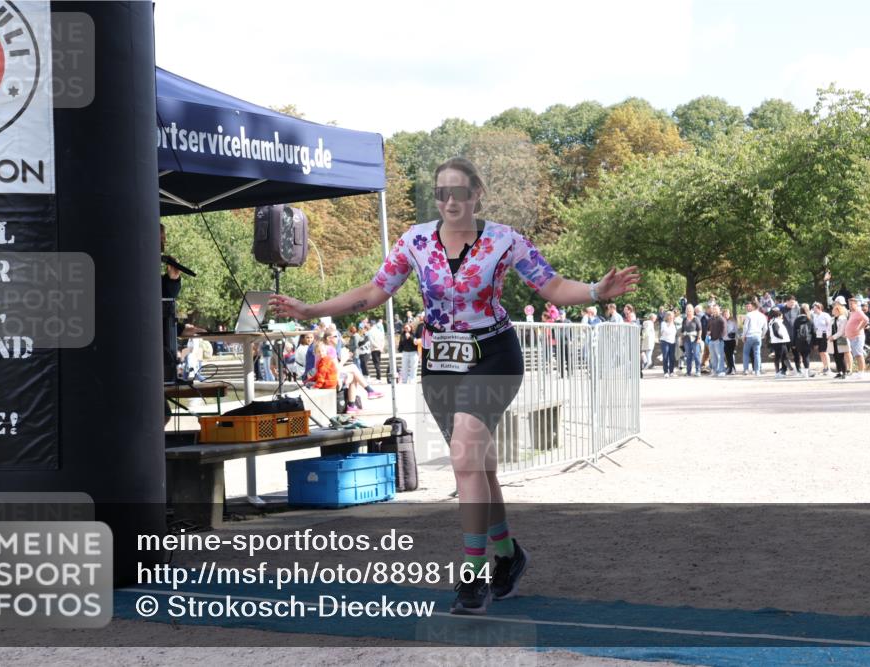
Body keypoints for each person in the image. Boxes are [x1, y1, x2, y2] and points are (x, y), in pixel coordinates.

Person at [269, 156, 640, 615]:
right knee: (477, 467)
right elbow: (373, 291)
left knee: (465, 452)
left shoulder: (506, 240)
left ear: (476, 194)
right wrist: (310, 310)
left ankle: (472, 576)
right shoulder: (415, 241)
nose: (448, 200)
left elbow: (553, 286)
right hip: (441, 362)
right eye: (441, 192)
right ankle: (508, 555)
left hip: (493, 354)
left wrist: (597, 291)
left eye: (457, 192)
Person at [844, 297, 869, 379]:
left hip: (858, 336)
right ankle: (859, 371)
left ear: (856, 304)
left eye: (851, 304)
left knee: (859, 354)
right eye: (849, 304)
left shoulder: (858, 311)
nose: (850, 306)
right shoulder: (852, 313)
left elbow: (866, 319)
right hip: (852, 337)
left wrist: (860, 328)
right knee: (856, 355)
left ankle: (861, 372)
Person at [741, 301, 767, 375]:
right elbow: (765, 328)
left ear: (753, 306)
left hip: (749, 335)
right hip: (758, 336)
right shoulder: (762, 316)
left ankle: (746, 369)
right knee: (757, 354)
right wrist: (762, 335)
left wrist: (743, 335)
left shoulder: (749, 315)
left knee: (746, 353)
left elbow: (745, 327)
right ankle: (757, 370)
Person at [792, 303, 815, 378]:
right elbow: (813, 331)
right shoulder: (809, 319)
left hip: (799, 341)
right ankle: (806, 372)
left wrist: (793, 343)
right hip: (808, 340)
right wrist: (815, 342)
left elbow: (794, 332)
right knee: (806, 356)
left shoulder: (797, 320)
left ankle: (804, 372)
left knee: (802, 355)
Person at [767, 308, 791, 377]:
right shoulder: (775, 321)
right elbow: (776, 332)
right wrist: (782, 337)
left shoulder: (775, 321)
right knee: (779, 357)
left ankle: (791, 369)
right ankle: (778, 373)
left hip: (780, 342)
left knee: (784, 356)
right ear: (779, 315)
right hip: (779, 342)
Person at [829, 302, 849, 379]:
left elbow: (841, 331)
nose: (832, 311)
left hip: (840, 338)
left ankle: (844, 372)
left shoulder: (843, 318)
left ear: (838, 310)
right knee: (835, 356)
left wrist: (833, 337)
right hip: (832, 339)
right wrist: (829, 336)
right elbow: (829, 328)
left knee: (841, 356)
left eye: (834, 310)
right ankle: (839, 372)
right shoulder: (832, 319)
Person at [680, 304, 702, 377]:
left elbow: (699, 329)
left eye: (690, 310)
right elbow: (682, 330)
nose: (689, 311)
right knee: (688, 356)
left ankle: (698, 371)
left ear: (693, 311)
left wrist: (698, 338)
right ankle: (688, 372)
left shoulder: (696, 319)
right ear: (686, 311)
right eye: (687, 310)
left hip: (695, 339)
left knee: (696, 355)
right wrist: (681, 338)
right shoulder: (684, 319)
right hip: (686, 340)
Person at [811, 302, 832, 375]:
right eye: (813, 308)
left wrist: (828, 335)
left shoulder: (825, 315)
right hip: (818, 335)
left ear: (820, 308)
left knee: (825, 351)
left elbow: (829, 325)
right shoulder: (814, 316)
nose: (814, 309)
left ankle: (828, 368)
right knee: (821, 352)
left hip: (824, 334)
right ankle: (825, 367)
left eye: (815, 308)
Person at [707, 305, 726, 377]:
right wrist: (708, 332)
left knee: (720, 356)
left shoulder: (721, 319)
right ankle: (714, 371)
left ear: (719, 310)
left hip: (719, 340)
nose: (714, 311)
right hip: (711, 341)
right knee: (713, 357)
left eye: (716, 309)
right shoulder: (710, 319)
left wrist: (720, 338)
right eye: (713, 309)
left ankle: (722, 371)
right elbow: (708, 328)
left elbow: (724, 330)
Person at [659, 311, 677, 377]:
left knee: (672, 357)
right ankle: (666, 372)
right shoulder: (663, 323)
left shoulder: (674, 324)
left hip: (672, 342)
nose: (671, 317)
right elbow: (666, 331)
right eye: (669, 316)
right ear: (667, 317)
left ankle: (671, 371)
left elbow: (675, 333)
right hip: (665, 341)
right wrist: (669, 324)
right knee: (665, 357)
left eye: (672, 316)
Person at [723, 308, 738, 375]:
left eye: (727, 314)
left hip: (731, 340)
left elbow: (736, 330)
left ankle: (733, 368)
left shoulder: (733, 321)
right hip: (724, 340)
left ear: (729, 314)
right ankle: (729, 368)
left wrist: (735, 337)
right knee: (727, 355)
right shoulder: (722, 321)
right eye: (725, 314)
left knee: (731, 354)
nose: (726, 315)